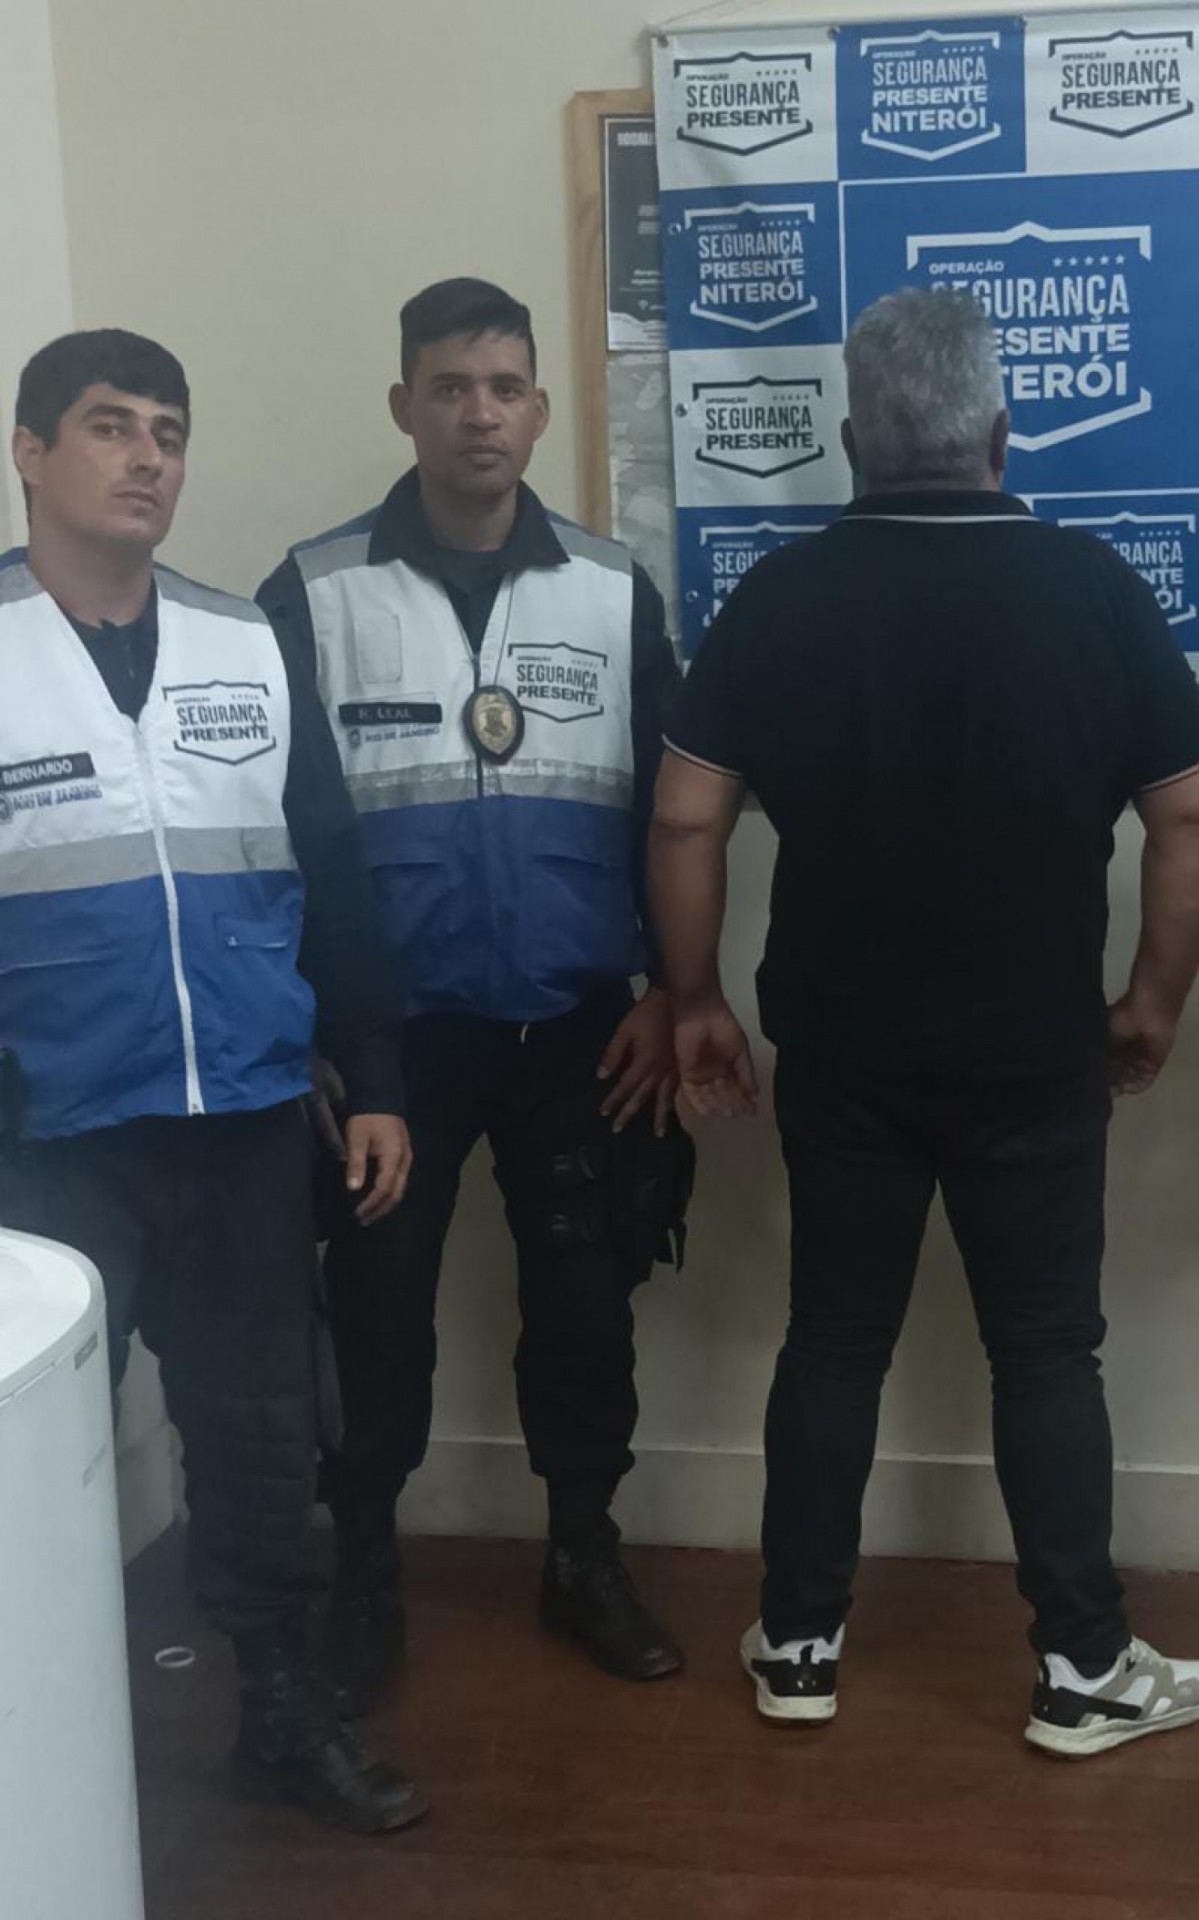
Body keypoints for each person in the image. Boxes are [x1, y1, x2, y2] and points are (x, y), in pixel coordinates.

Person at [649, 286, 1199, 1759]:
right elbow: (1187, 816)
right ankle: (1083, 1668)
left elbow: (687, 817)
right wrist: (1152, 1001)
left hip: (843, 1049)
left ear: (851, 443)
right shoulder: (1095, 591)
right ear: (1000, 439)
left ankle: (800, 1645)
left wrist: (695, 999)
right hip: (1036, 1047)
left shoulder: (779, 596)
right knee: (1048, 1350)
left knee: (834, 1339)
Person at [0, 329, 425, 1831]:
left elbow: (334, 880)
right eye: (110, 426)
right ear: (30, 452)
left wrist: (377, 1076)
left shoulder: (243, 640)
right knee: (29, 1455)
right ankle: (29, 1751)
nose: (147, 458)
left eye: (168, 432)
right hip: (47, 1140)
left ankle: (286, 1719)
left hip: (242, 1124)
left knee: (261, 1450)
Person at [258, 277, 691, 1713]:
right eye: (449, 388)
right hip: (392, 1046)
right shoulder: (313, 591)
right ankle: (363, 1577)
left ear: (541, 410)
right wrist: (325, 1034)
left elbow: (670, 813)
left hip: (579, 1028)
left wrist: (668, 986)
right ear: (404, 405)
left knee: (586, 1302)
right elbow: (280, 834)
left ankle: (583, 1554)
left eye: (504, 388)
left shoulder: (613, 590)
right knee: (377, 1314)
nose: (479, 415)